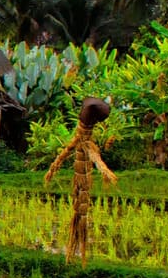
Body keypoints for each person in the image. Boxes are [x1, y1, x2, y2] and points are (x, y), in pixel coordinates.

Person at [44, 97, 116, 261]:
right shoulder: (83, 141)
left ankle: (77, 252)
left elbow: (94, 157)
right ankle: (74, 251)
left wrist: (105, 171)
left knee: (80, 212)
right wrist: (53, 168)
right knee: (78, 212)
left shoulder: (86, 143)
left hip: (82, 185)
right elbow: (73, 153)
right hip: (80, 185)